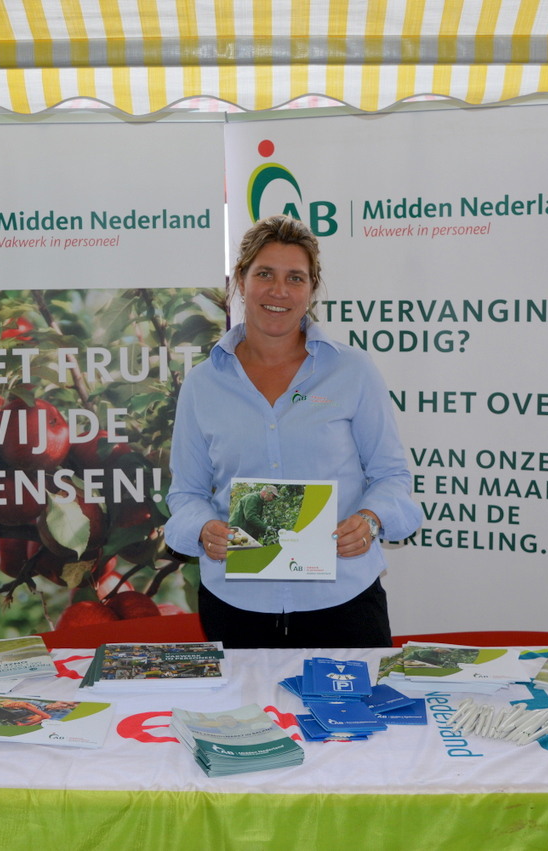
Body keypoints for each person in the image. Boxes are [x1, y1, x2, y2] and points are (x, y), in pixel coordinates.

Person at [165, 215, 423, 648]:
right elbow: (186, 493)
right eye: (264, 274)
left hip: (344, 602)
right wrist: (203, 527)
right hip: (236, 608)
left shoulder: (352, 371)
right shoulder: (203, 383)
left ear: (311, 288)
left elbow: (392, 476)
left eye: (295, 278)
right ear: (241, 281)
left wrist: (370, 519)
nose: (279, 290)